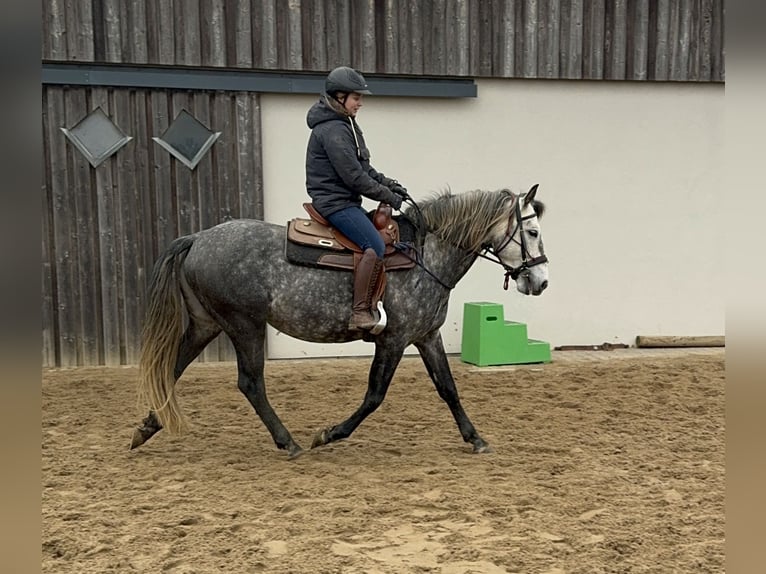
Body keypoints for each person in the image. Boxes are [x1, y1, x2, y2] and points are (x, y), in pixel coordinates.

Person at [305, 66, 409, 332]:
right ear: (339, 97)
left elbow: (365, 169)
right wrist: (388, 197)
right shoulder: (333, 130)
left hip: (344, 201)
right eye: (356, 97)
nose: (360, 102)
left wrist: (390, 185)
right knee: (374, 243)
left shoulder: (346, 125)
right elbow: (354, 178)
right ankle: (360, 312)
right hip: (335, 203)